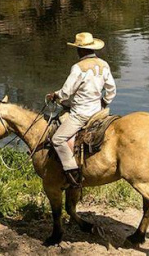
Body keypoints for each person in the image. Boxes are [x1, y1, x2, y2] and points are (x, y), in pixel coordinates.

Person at [45, 32, 116, 187]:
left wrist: (55, 96)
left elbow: (66, 93)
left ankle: (72, 170)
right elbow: (111, 90)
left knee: (57, 139)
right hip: (98, 112)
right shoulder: (104, 64)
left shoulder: (78, 68)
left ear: (81, 50)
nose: (77, 51)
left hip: (81, 114)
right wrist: (104, 102)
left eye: (77, 48)